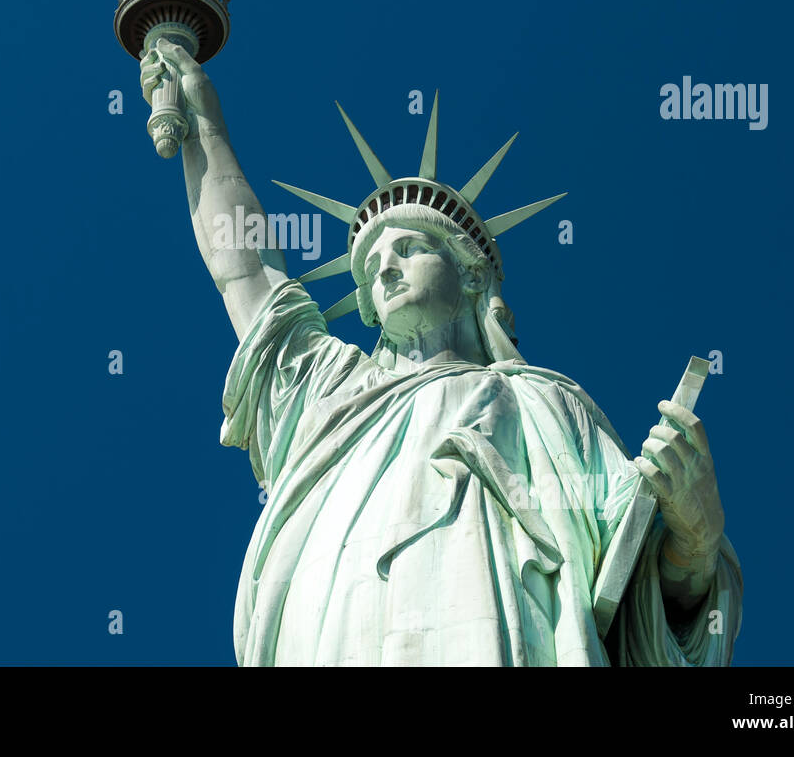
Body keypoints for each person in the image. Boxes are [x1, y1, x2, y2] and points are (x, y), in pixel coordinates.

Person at [140, 39, 741, 666]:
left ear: (472, 273)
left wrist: (695, 538)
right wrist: (203, 123)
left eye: (408, 250)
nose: (385, 271)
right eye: (371, 266)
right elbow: (246, 275)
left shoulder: (545, 404)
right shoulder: (330, 392)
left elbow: (639, 585)